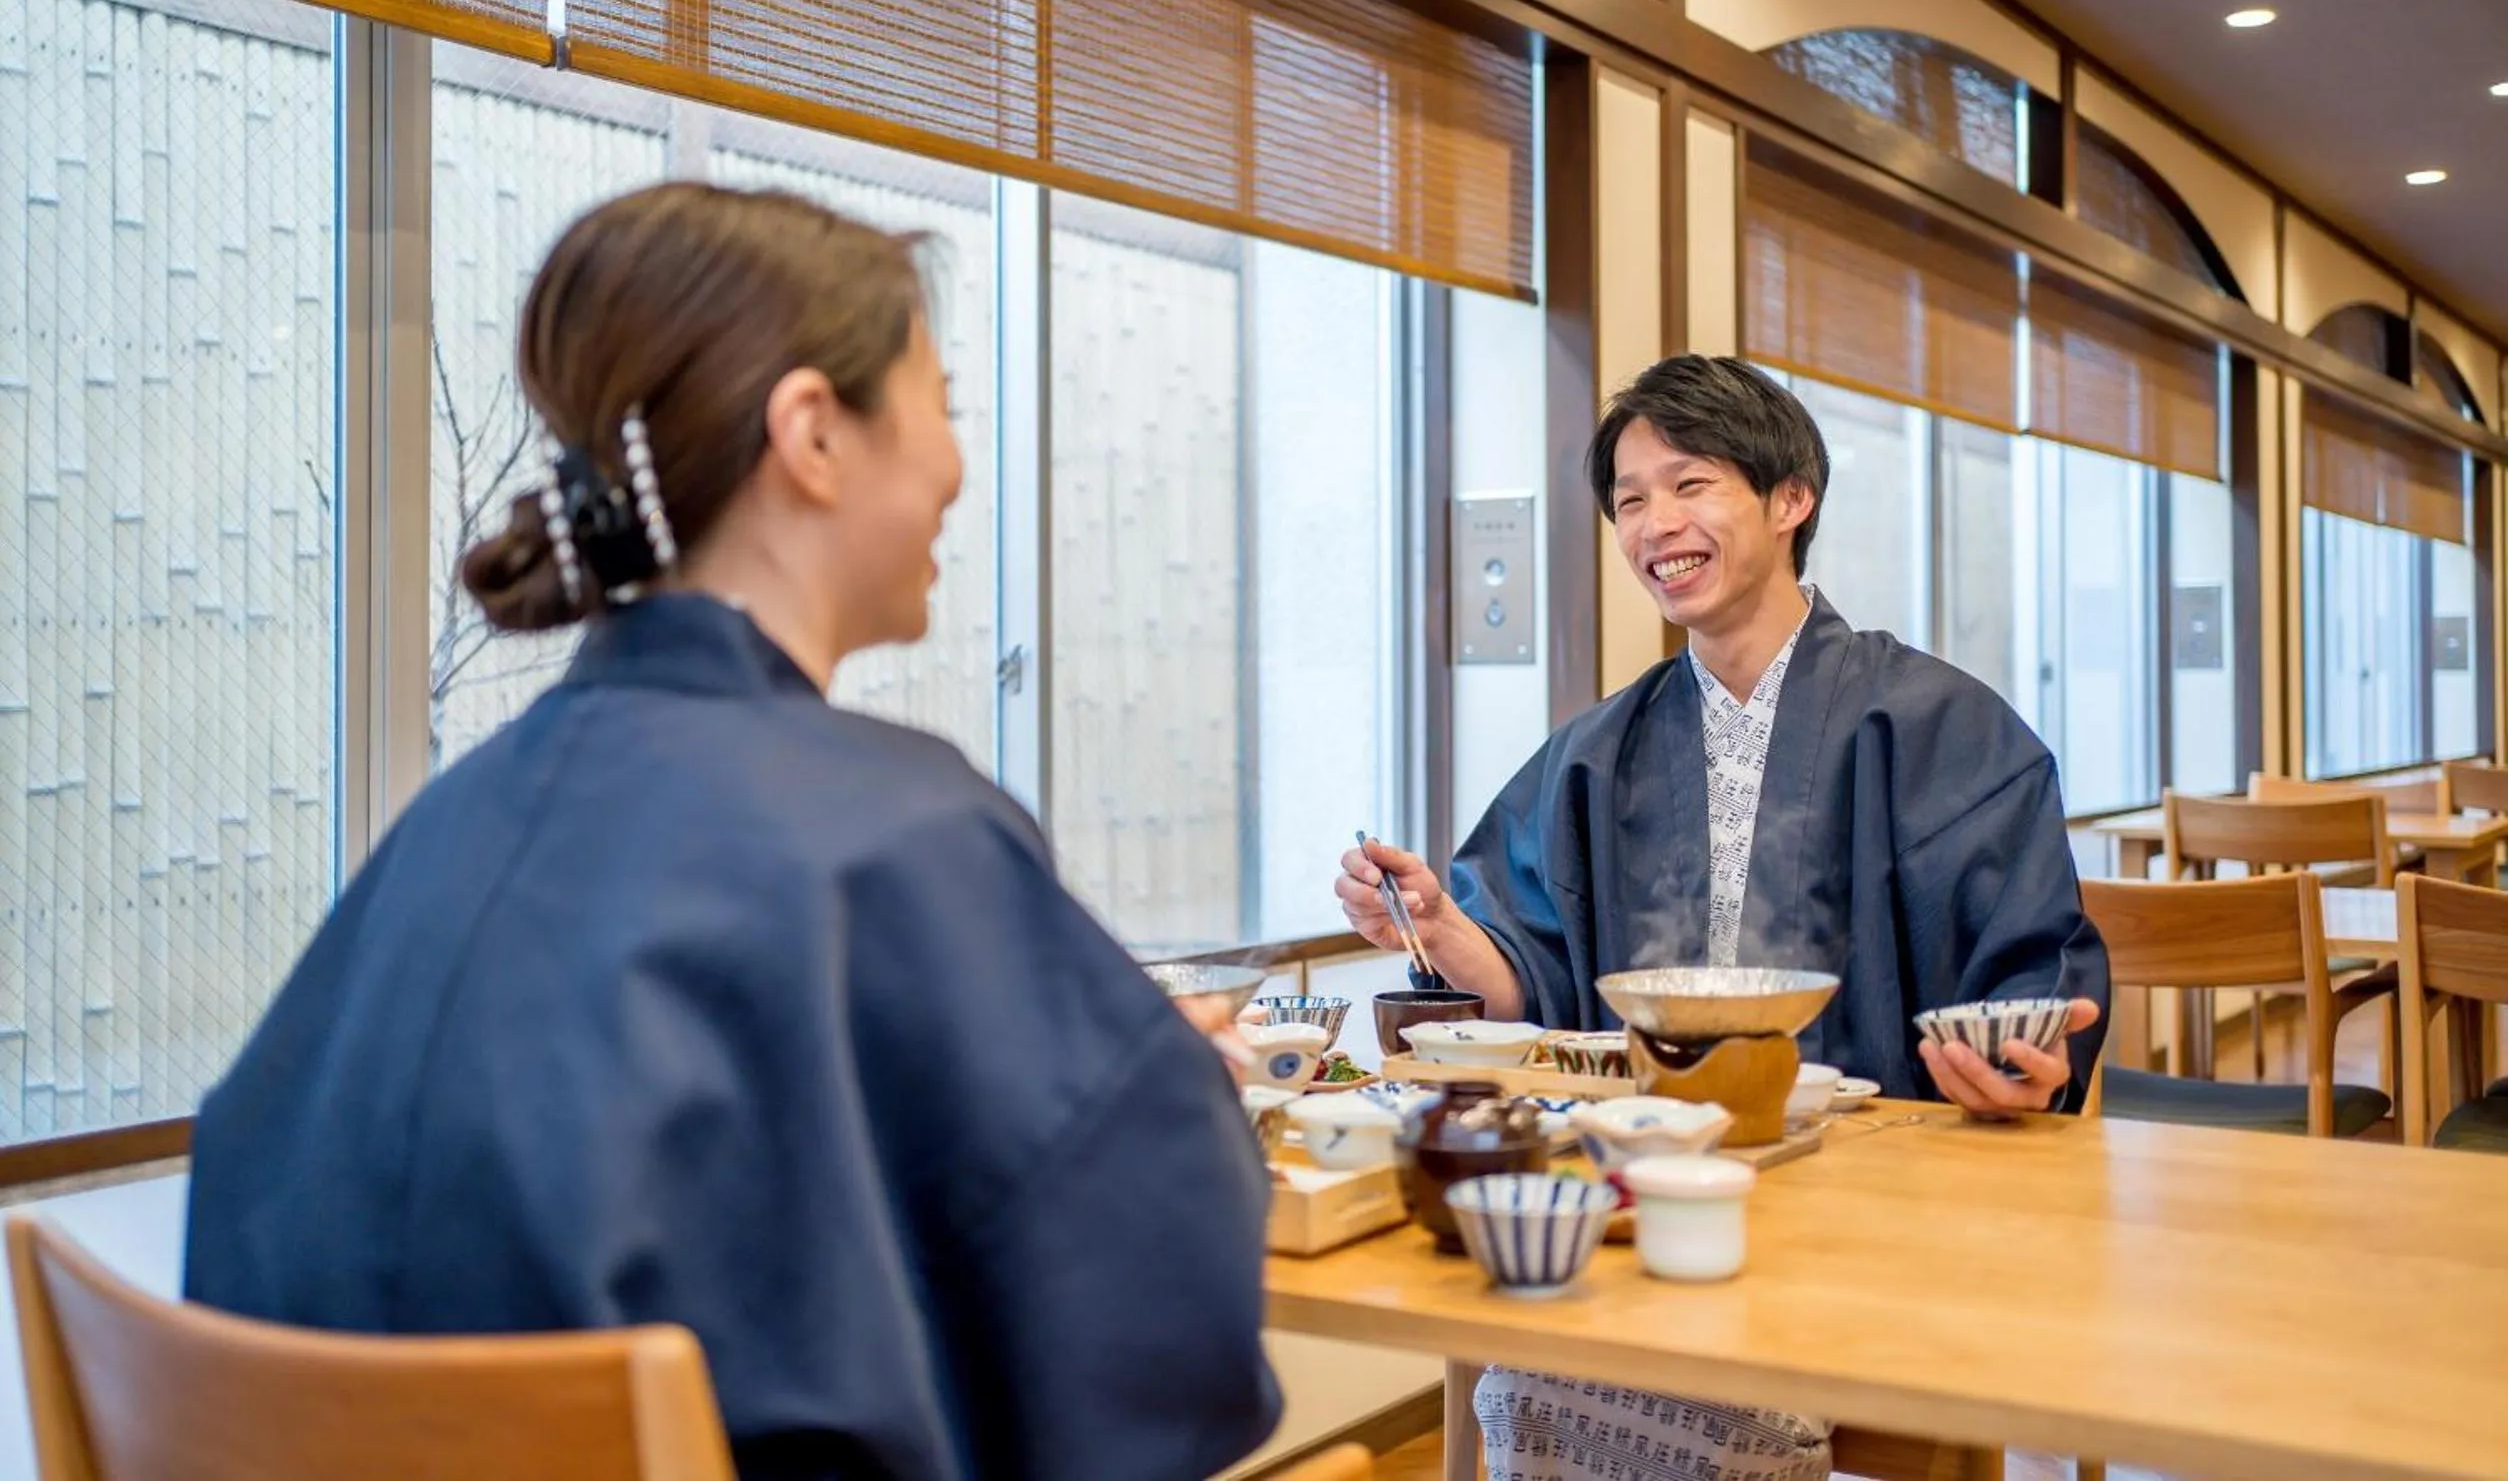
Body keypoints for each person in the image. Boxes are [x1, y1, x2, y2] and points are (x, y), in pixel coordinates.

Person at [185, 183, 1281, 1481]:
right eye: (943, 405)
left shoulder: (453, 821)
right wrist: (1170, 1094)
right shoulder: (900, 826)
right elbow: (1142, 1304)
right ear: (813, 433)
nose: (954, 465)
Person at [1337, 354, 2109, 1480]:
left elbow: (2031, 980)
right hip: (1645, 1187)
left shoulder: (1945, 725)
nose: (1656, 523)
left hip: (1878, 1198)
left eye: (1689, 483)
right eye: (1631, 499)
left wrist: (2026, 1058)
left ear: (1790, 497)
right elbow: (1530, 979)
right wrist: (1444, 929)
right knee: (1535, 1340)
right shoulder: (1603, 748)